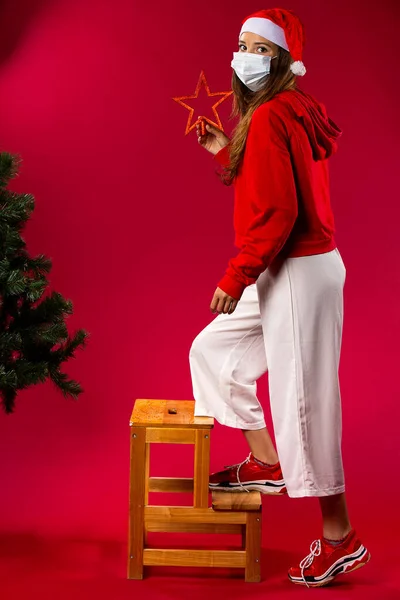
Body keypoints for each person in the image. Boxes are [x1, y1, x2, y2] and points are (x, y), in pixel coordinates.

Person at [188, 7, 371, 588]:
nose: (240, 54)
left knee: (305, 403)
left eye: (254, 46)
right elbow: (271, 186)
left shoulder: (271, 115)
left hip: (295, 268)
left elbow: (280, 212)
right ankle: (266, 460)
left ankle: (340, 538)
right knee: (213, 351)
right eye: (239, 43)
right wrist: (226, 152)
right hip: (290, 267)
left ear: (280, 59)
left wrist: (235, 274)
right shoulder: (286, 108)